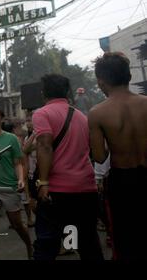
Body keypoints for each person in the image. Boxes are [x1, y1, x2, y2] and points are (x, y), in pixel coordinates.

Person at [32, 74, 103, 260]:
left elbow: (45, 145)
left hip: (57, 191)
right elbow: (96, 153)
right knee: (88, 243)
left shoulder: (42, 113)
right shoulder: (82, 117)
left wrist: (44, 182)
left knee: (47, 245)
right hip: (86, 189)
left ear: (43, 92)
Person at [88, 52, 147, 260]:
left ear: (101, 81)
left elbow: (100, 156)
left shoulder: (97, 113)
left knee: (126, 239)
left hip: (122, 181)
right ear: (128, 76)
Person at [0, 107, 33, 260]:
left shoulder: (11, 139)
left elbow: (18, 163)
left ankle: (29, 245)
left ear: (1, 119)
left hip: (9, 188)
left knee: (17, 224)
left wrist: (21, 180)